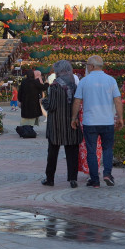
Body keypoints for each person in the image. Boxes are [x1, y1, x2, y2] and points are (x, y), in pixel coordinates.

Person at [71, 55, 124, 188]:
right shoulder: (111, 80)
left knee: (91, 151)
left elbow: (77, 101)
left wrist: (74, 117)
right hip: (107, 121)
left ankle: (94, 180)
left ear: (92, 66)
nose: (87, 67)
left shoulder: (84, 81)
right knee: (107, 149)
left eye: (88, 65)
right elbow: (117, 100)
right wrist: (120, 117)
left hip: (90, 122)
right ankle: (107, 173)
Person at [41, 60, 83, 188]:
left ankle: (50, 178)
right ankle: (73, 179)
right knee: (72, 153)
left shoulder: (54, 86)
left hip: (56, 125)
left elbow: (52, 106)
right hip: (71, 124)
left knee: (53, 153)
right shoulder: (75, 85)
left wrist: (43, 101)